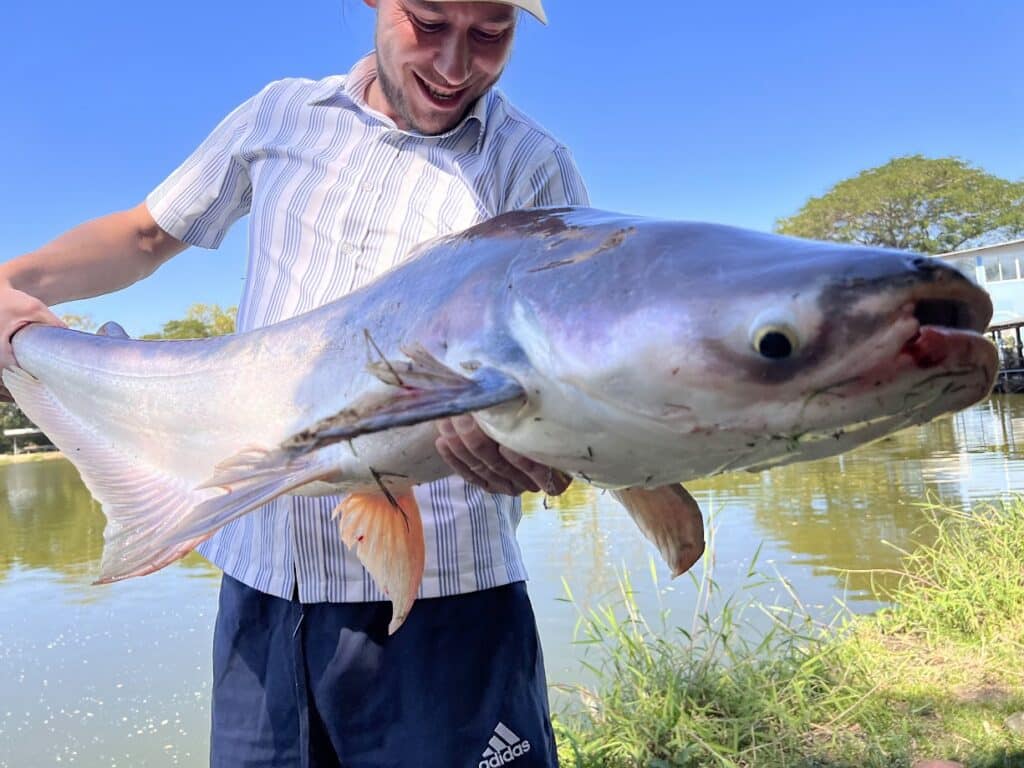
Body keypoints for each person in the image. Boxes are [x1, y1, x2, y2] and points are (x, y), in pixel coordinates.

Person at [0, 0, 587, 765]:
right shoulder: (282, 115)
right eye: (428, 22)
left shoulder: (533, 167)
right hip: (262, 590)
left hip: (451, 599)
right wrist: (9, 284)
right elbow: (146, 234)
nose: (452, 66)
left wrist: (549, 451)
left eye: (489, 34)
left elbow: (563, 375)